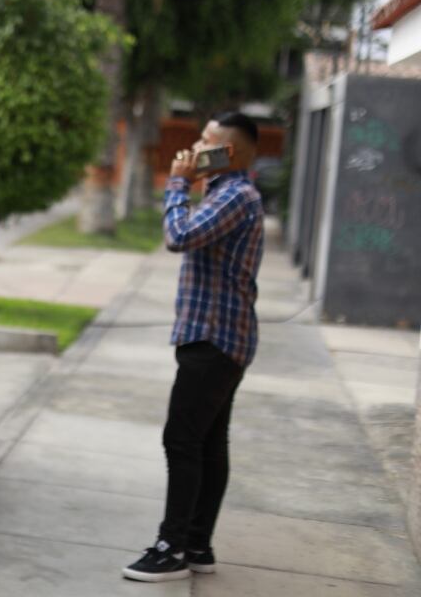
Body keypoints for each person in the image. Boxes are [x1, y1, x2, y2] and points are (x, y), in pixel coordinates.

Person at [122, 111, 265, 583]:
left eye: (207, 141)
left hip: (215, 337)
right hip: (217, 336)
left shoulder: (236, 196)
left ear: (234, 152)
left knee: (181, 439)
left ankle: (171, 548)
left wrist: (177, 184)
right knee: (206, 442)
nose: (197, 147)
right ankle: (198, 544)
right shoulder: (225, 191)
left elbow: (178, 236)